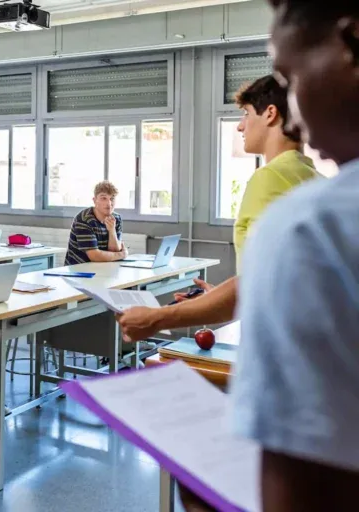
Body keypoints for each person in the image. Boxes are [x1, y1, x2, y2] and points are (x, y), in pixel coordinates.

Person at [184, 2, 359, 510]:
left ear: (350, 45)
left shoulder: (307, 222)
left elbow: (298, 483)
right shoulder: (313, 182)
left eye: (292, 73)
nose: (296, 108)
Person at [117, 75, 319, 342]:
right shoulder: (312, 177)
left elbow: (258, 282)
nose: (240, 126)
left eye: (246, 114)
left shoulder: (269, 177)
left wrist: (159, 318)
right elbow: (287, 284)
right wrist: (213, 298)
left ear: (270, 114)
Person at [65, 180, 127, 265]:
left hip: (103, 269)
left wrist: (112, 231)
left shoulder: (116, 218)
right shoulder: (84, 219)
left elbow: (114, 251)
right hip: (79, 272)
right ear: (94, 200)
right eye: (103, 198)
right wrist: (122, 254)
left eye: (112, 198)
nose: (109, 203)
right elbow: (94, 256)